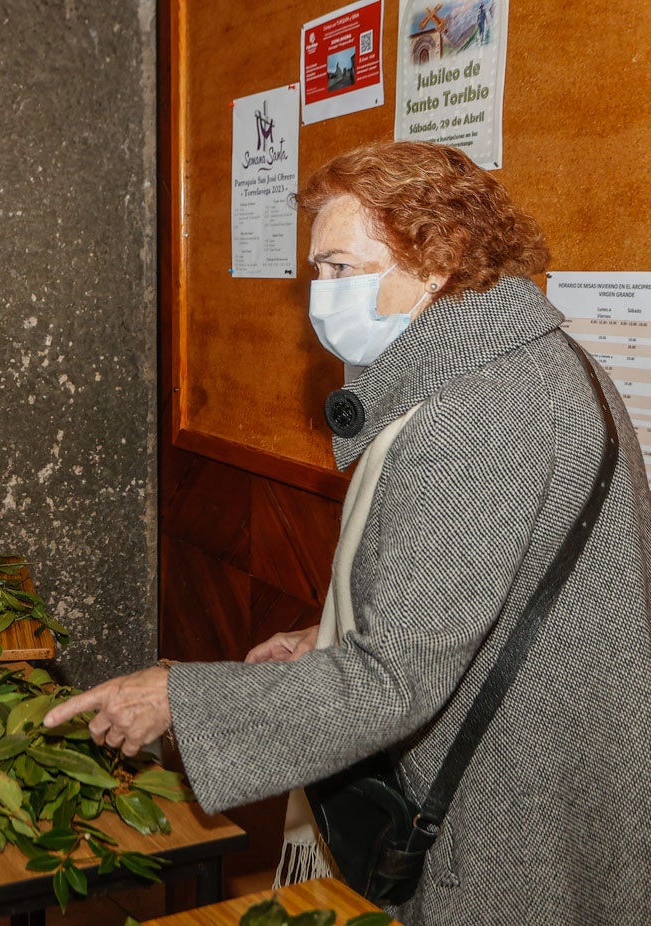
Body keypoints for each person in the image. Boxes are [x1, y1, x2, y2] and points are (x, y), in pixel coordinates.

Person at [44, 141, 651, 923]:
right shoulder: (522, 359)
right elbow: (474, 584)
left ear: (437, 261)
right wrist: (324, 631)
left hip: (514, 802)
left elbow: (395, 679)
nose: (319, 295)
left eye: (340, 268)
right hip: (553, 760)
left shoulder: (474, 413)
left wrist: (179, 700)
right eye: (315, 271)